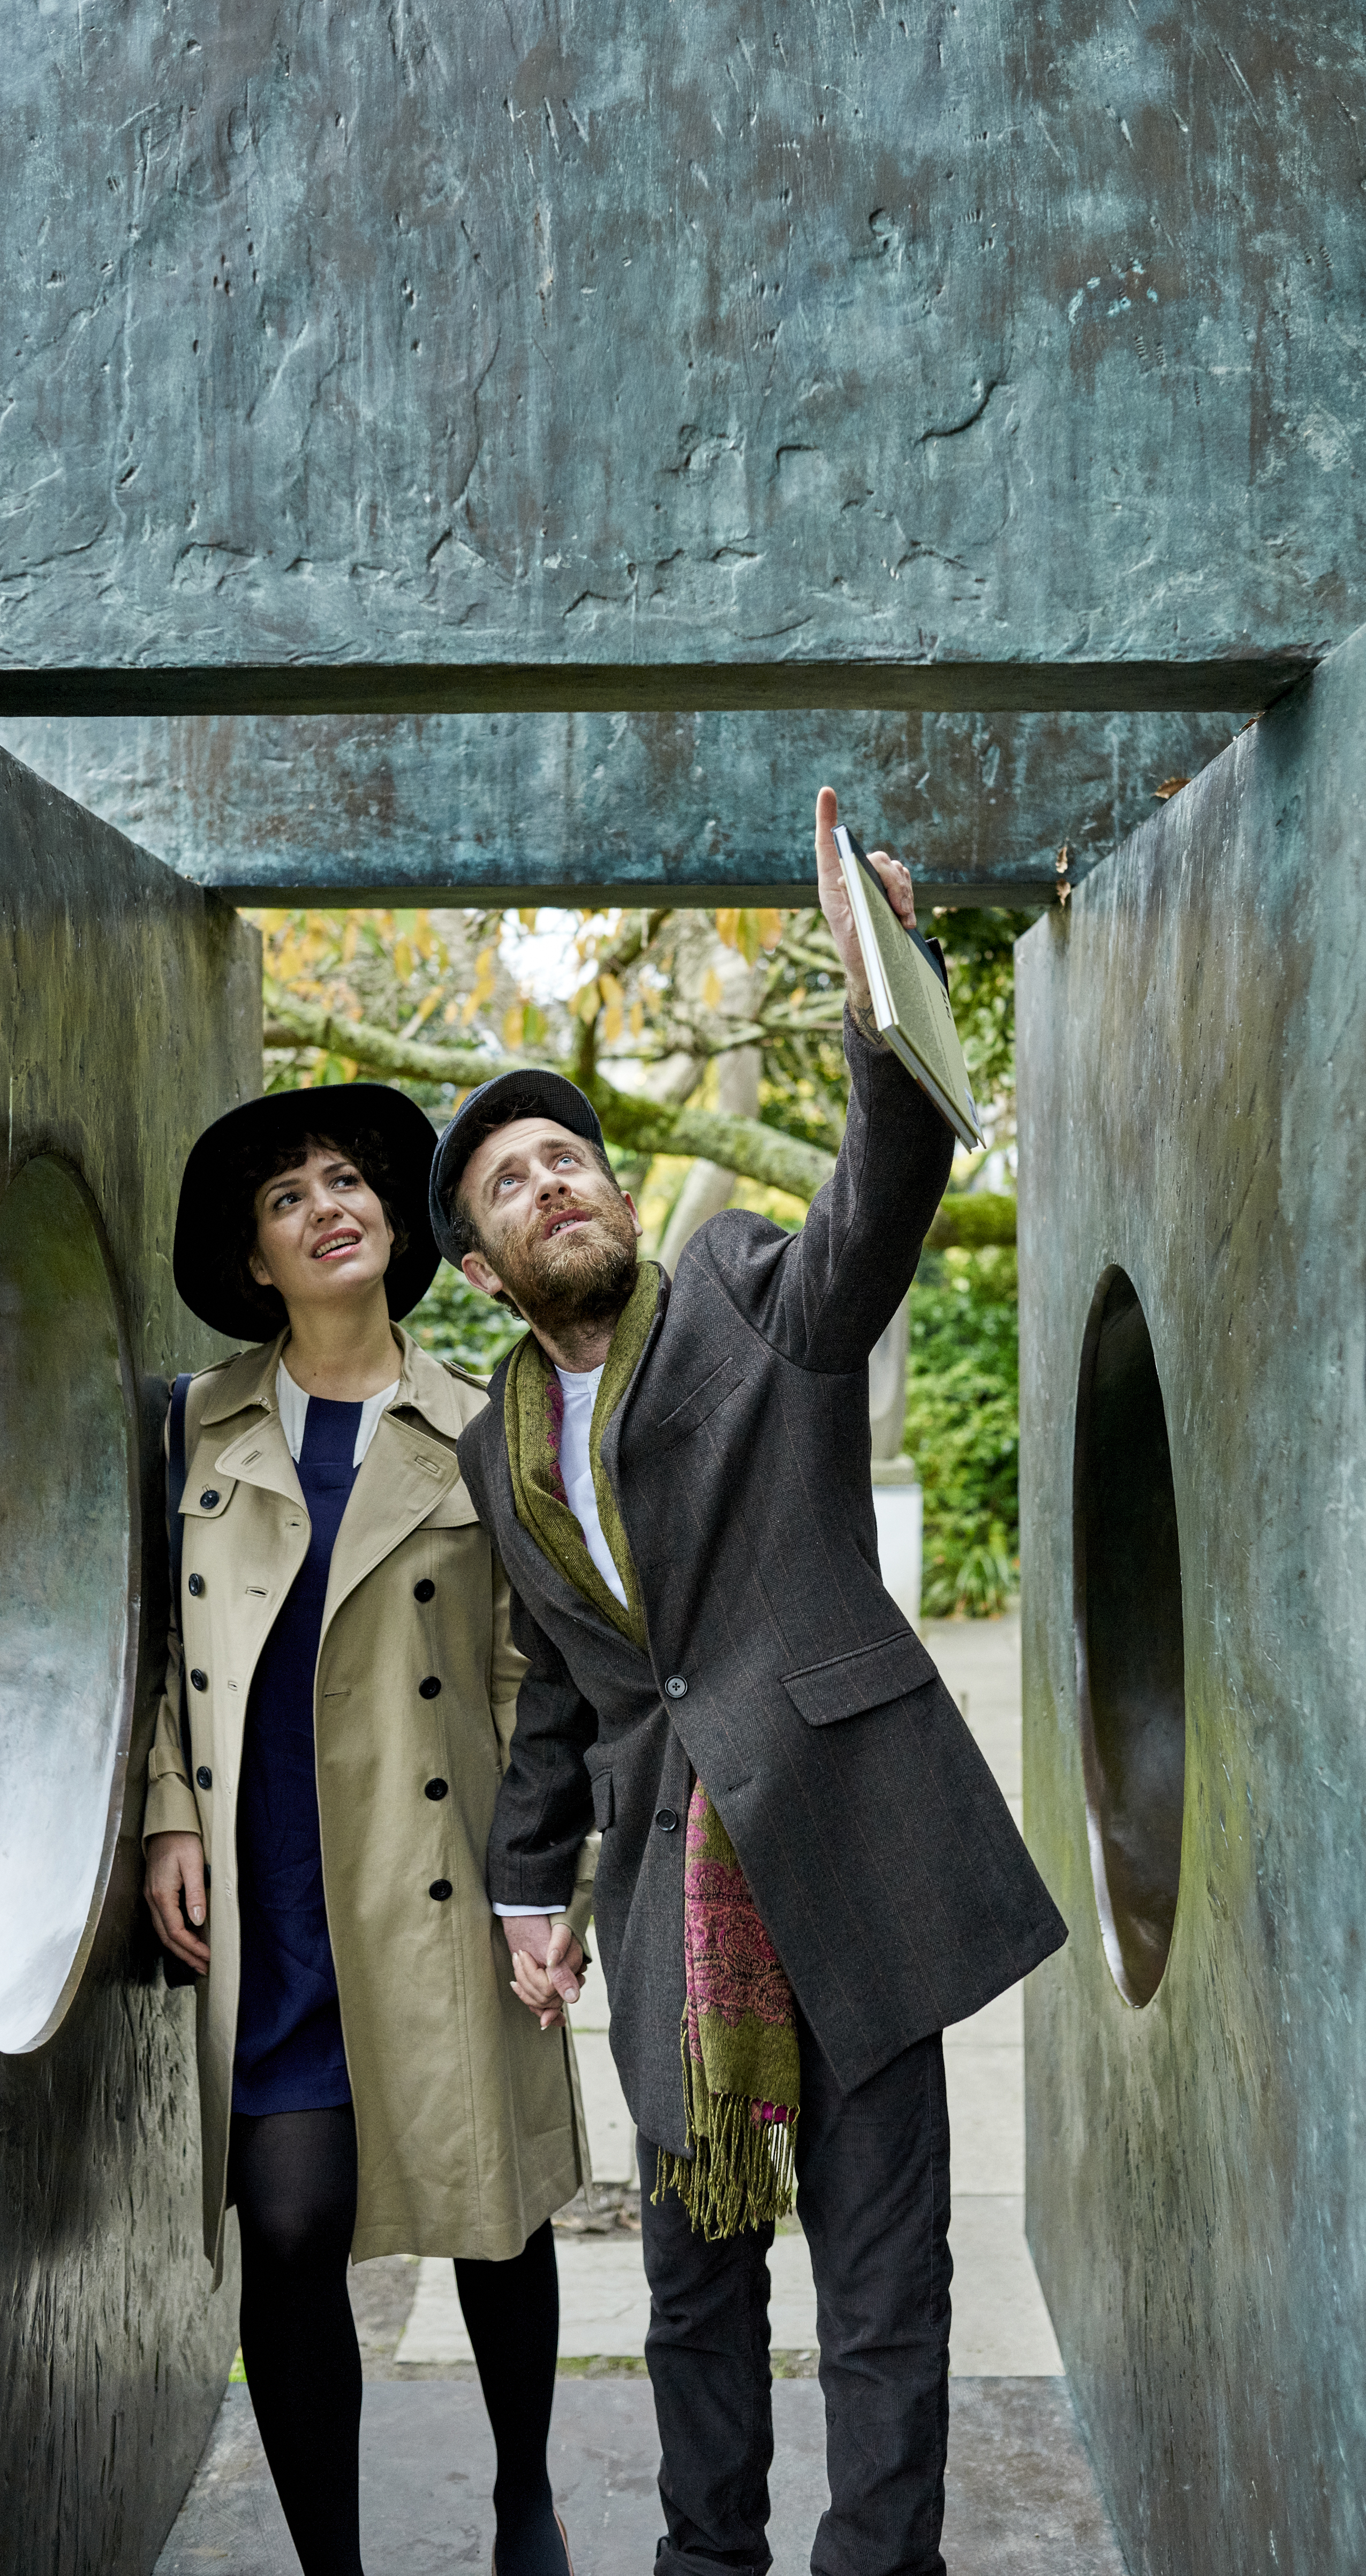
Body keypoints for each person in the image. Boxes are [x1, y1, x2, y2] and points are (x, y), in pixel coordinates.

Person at [429, 789, 1068, 2576]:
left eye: (572, 1156)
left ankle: (885, 2565)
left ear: (614, 1195)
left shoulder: (731, 1293)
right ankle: (708, 2560)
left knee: (881, 2283)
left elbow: (874, 1212)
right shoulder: (498, 1455)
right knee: (693, 2290)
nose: (558, 1178)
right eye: (514, 1181)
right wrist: (523, 1887)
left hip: (849, 1842)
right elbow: (568, 1694)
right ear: (484, 1268)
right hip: (666, 1910)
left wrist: (886, 992)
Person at [144, 1082, 589, 2576]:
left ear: (392, 1224)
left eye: (348, 1182)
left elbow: (541, 1676)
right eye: (289, 1198)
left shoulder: (479, 1427)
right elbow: (148, 1648)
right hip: (271, 1896)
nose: (329, 1206)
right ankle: (330, 2560)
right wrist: (161, 1814)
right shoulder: (195, 1425)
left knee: (497, 2217)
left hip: (443, 1884)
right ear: (256, 1259)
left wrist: (543, 1886)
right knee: (285, 2234)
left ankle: (523, 2495)